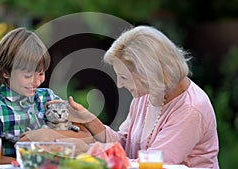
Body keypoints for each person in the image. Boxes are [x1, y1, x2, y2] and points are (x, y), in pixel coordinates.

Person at [66, 25, 220, 169]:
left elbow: (152, 165)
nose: (119, 84)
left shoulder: (190, 109)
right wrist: (88, 120)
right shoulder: (149, 93)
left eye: (124, 77)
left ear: (149, 73)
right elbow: (125, 147)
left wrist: (91, 154)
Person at [0, 27, 92, 164]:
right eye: (28, 75)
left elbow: (86, 136)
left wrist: (49, 135)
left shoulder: (48, 97)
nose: (37, 81)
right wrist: (32, 162)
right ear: (6, 72)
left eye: (41, 73)